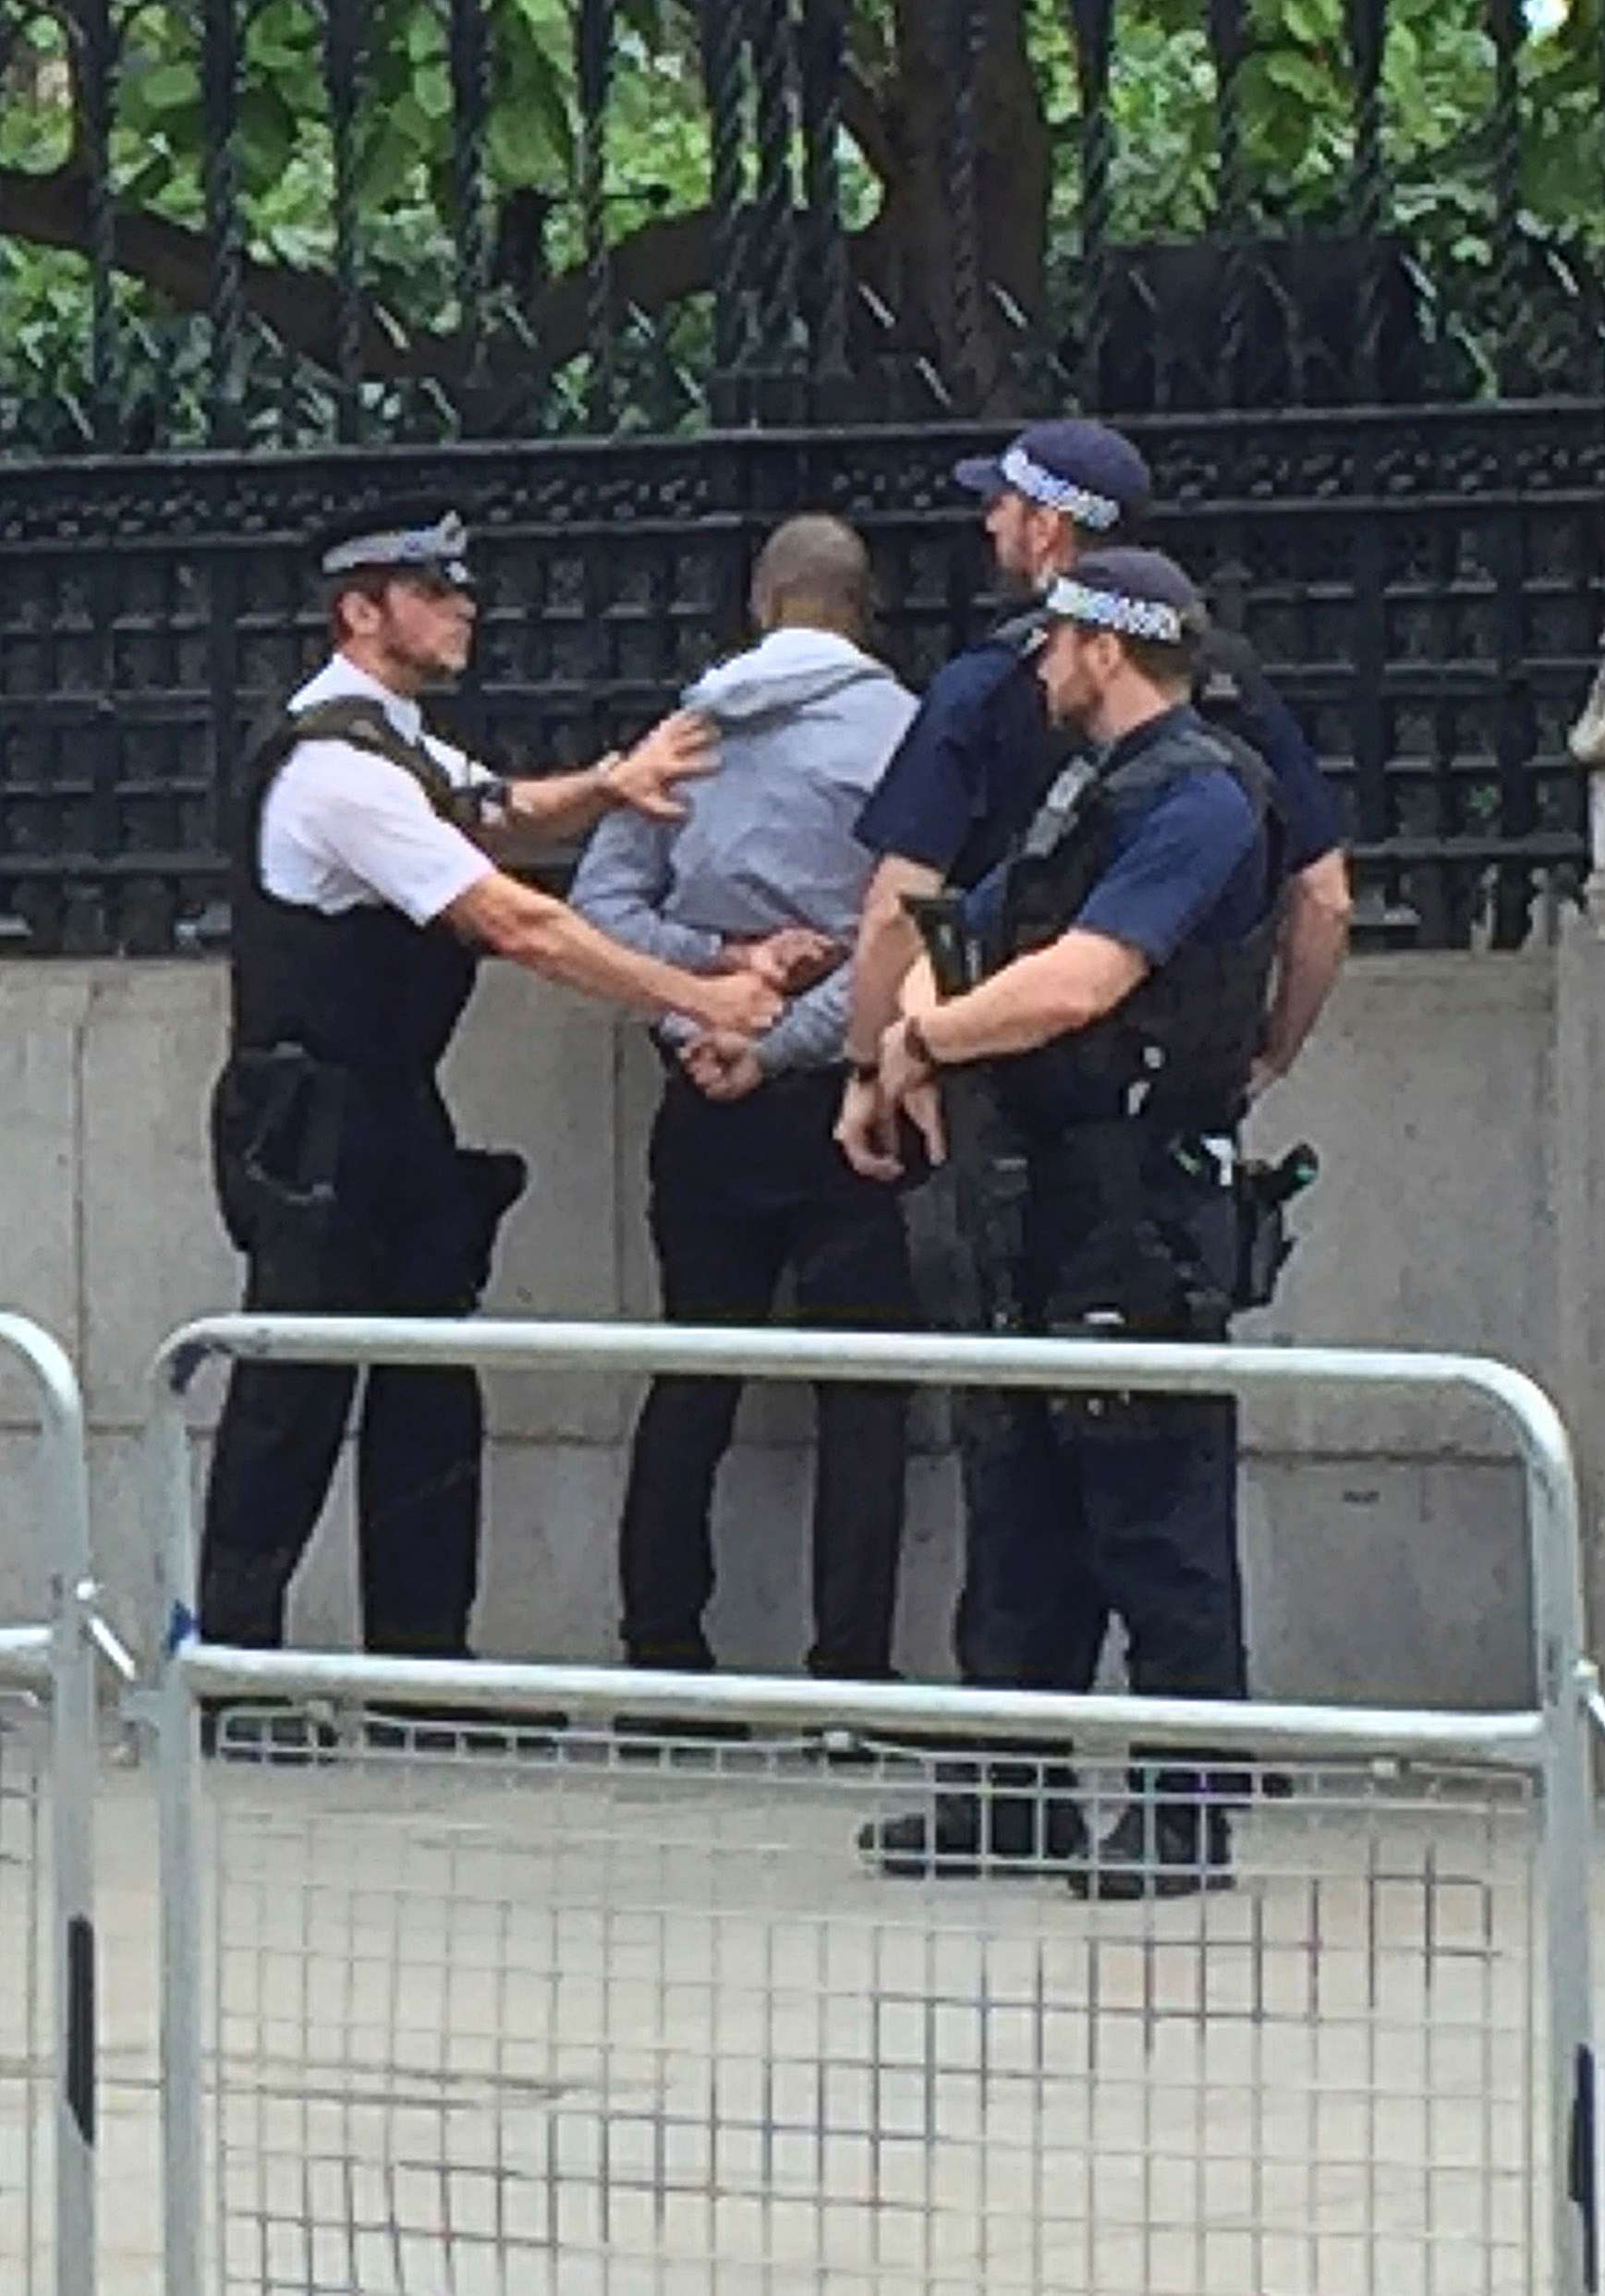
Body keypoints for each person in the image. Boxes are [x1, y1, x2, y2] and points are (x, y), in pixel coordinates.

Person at [200, 505, 785, 1670]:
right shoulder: (335, 768)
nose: (462, 605)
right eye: (431, 589)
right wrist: (696, 995)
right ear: (361, 611)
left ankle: (424, 1662)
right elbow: (513, 919)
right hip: (313, 1120)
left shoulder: (398, 743)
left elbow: (506, 807)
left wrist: (617, 784)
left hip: (393, 1113)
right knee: (294, 1397)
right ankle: (235, 1665)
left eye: (459, 587)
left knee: (429, 1382)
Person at [858, 550, 1293, 1898]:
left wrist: (917, 1038)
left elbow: (1081, 983)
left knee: (1152, 1506)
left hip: (1140, 1195)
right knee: (1020, 1492)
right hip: (1036, 1187)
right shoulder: (1076, 796)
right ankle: (1010, 1791)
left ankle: (1180, 1813)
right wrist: (908, 1044)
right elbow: (969, 929)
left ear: (1105, 649)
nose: (1039, 666)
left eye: (1053, 645)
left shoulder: (1202, 798)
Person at [572, 516, 920, 1683]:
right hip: (850, 1101)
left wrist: (709, 1005)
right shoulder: (907, 737)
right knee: (864, 1398)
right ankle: (851, 1675)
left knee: (693, 1371)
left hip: (701, 1095)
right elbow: (907, 935)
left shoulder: (684, 731)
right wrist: (789, 1030)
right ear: (861, 607)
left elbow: (603, 907)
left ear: (762, 603)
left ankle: (660, 1658)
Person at [836, 417, 1349, 1182]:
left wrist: (881, 1066)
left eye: (1002, 503)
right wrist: (1266, 1053)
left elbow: (900, 912)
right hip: (1154, 1113)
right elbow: (1323, 895)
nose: (988, 521)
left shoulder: (985, 688)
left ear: (1046, 527)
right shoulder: (1228, 682)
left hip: (997, 1107)